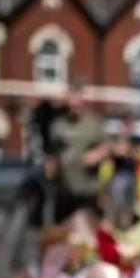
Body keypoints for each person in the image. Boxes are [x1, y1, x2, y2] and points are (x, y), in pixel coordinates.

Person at [47, 84, 107, 221]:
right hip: (64, 188)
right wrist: (51, 166)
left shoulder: (94, 123)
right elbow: (52, 152)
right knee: (62, 232)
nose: (74, 106)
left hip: (87, 190)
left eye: (77, 102)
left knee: (86, 234)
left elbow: (107, 146)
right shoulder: (57, 124)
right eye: (71, 102)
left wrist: (97, 154)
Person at [106, 112, 138, 228]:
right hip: (119, 175)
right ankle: (112, 227)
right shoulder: (115, 138)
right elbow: (115, 151)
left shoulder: (135, 139)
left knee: (128, 206)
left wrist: (130, 151)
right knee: (116, 204)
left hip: (132, 175)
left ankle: (125, 228)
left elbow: (139, 154)